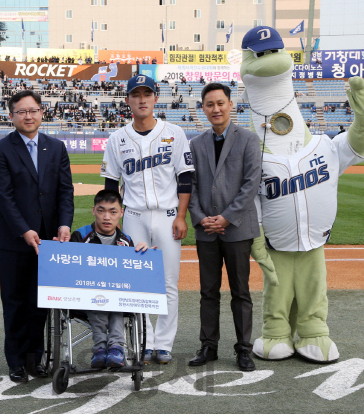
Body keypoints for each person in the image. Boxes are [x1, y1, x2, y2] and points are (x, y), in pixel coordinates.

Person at [101, 75, 194, 365]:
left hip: (168, 217)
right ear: (127, 100)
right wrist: (112, 220)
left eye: (147, 94)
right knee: (137, 283)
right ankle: (145, 340)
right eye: (136, 94)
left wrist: (181, 216)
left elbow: (186, 177)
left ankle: (164, 344)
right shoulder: (117, 139)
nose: (142, 99)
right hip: (134, 217)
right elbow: (109, 184)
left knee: (168, 283)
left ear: (155, 98)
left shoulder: (175, 133)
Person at [0, 90, 74, 383]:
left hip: (49, 241)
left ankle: (34, 360)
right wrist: (24, 230)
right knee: (14, 302)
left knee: (40, 304)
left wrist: (64, 224)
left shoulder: (56, 147)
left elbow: (65, 191)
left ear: (41, 112)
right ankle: (15, 361)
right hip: (15, 240)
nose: (28, 116)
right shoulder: (1, 150)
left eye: (33, 110)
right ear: (11, 116)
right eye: (21, 111)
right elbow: (4, 196)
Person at [187, 83, 261, 372]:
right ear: (203, 108)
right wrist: (200, 216)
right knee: (208, 290)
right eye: (209, 104)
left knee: (240, 291)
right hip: (206, 229)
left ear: (231, 105)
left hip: (237, 228)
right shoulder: (195, 143)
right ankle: (209, 345)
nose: (215, 109)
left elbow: (250, 184)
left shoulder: (248, 140)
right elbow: (189, 186)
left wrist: (227, 217)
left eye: (220, 103)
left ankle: (243, 348)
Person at [70, 190, 150, 368]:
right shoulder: (79, 237)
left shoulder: (126, 241)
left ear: (121, 213)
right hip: (85, 296)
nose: (107, 217)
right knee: (100, 296)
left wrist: (144, 256)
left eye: (113, 212)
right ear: (93, 211)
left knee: (115, 297)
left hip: (116, 297)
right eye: (101, 211)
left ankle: (114, 347)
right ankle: (105, 347)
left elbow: (132, 276)